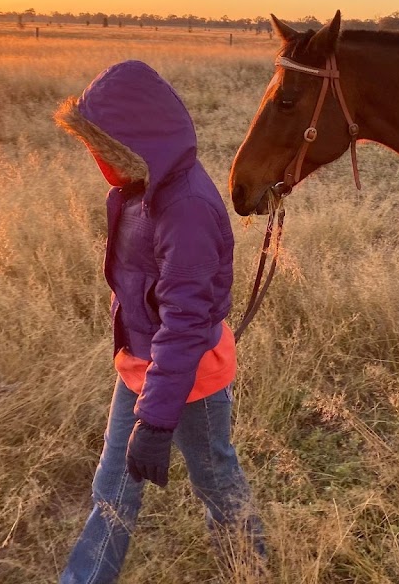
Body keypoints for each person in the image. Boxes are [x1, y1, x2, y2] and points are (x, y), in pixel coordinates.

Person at [54, 60, 265, 583]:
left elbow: (186, 322)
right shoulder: (136, 191)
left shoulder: (186, 206)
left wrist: (156, 420)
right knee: (113, 490)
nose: (96, 156)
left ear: (136, 140)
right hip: (142, 366)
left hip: (189, 375)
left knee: (216, 480)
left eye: (103, 144)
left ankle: (250, 569)